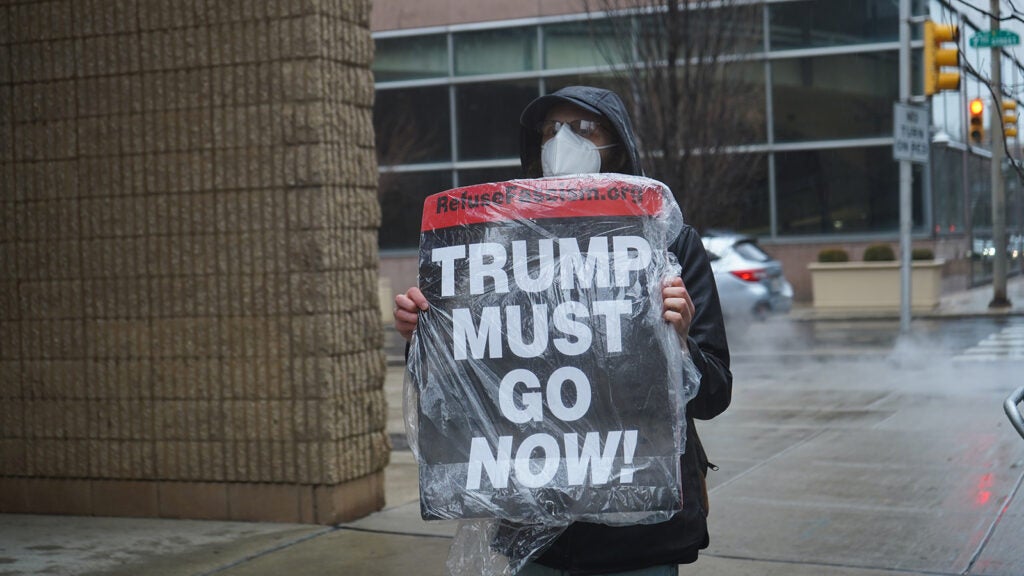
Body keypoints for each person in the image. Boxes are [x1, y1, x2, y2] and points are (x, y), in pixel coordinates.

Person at [393, 86, 732, 576]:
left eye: (583, 128)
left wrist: (679, 341)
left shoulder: (669, 244)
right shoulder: (497, 249)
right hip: (536, 528)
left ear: (618, 145)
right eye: (551, 130)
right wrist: (427, 335)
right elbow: (465, 385)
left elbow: (714, 394)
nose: (563, 141)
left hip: (638, 539)